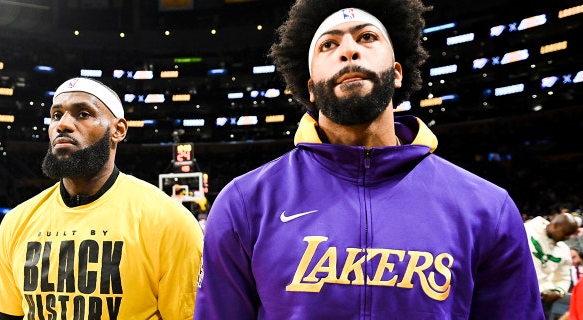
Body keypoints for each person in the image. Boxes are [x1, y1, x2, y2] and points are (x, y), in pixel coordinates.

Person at [194, 0, 543, 318]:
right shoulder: (244, 203)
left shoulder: (487, 209)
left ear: (396, 71)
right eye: (329, 44)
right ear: (311, 86)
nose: (349, 51)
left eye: (367, 37)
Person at [0, 77, 204, 320]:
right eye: (56, 115)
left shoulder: (171, 222)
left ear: (118, 130)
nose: (63, 125)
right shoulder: (16, 222)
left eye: (82, 114)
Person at [526, 213, 580, 320]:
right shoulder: (528, 230)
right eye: (566, 233)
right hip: (515, 292)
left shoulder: (564, 250)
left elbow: (563, 278)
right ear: (556, 226)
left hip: (542, 301)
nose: (567, 238)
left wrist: (558, 292)